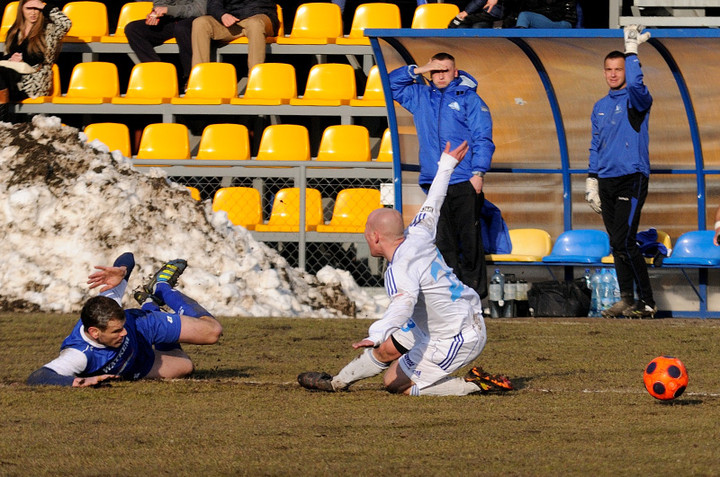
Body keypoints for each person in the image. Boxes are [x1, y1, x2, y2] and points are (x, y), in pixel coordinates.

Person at [298, 141, 513, 396]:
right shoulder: (418, 232)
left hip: (457, 335)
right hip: (442, 321)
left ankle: (474, 385)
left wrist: (378, 332)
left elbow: (404, 303)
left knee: (394, 384)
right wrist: (446, 165)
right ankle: (336, 382)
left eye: (366, 233)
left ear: (376, 237)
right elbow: (434, 200)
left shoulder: (399, 268)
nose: (365, 238)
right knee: (387, 350)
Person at [388, 52, 495, 298]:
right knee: (442, 241)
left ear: (455, 72)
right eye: (435, 71)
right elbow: (391, 84)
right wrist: (421, 68)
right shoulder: (420, 96)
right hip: (434, 181)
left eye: (444, 70)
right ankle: (452, 295)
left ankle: (476, 297)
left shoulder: (469, 97)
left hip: (463, 179)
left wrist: (478, 173)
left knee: (469, 239)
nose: (439, 76)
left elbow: (483, 137)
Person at [26, 253, 223, 387]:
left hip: (144, 326)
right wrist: (74, 382)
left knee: (212, 332)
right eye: (116, 331)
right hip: (136, 365)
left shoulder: (109, 302)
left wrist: (121, 269)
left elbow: (128, 257)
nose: (124, 332)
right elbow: (38, 376)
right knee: (185, 367)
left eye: (121, 327)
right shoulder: (78, 355)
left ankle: (162, 287)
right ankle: (150, 304)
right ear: (95, 332)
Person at [585, 25, 656, 319]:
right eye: (609, 69)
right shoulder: (600, 105)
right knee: (616, 243)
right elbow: (595, 145)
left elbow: (638, 86)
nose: (614, 74)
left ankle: (648, 301)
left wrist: (632, 51)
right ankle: (627, 299)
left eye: (619, 68)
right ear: (604, 72)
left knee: (626, 240)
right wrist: (592, 179)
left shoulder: (635, 99)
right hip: (607, 180)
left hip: (632, 178)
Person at [0, 0, 70, 118]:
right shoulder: (14, 31)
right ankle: (3, 120)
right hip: (11, 77)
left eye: (36, 8)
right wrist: (11, 58)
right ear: (21, 9)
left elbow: (66, 24)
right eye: (29, 8)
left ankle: (2, 121)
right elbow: (7, 56)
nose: (33, 12)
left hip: (33, 82)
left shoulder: (49, 30)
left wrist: (45, 6)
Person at [125, 0, 207, 88]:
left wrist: (168, 10)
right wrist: (155, 14)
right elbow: (160, 3)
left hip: (193, 21)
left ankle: (191, 77)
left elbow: (199, 10)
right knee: (133, 29)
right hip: (171, 19)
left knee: (181, 29)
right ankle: (157, 72)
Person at [191, 0, 279, 73]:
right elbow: (213, 4)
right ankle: (199, 76)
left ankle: (255, 78)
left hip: (259, 15)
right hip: (234, 21)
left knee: (255, 24)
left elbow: (260, 5)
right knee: (200, 23)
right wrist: (222, 15)